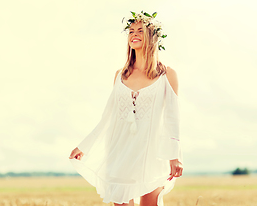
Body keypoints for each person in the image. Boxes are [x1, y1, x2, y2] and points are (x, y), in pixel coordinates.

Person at [69, 11, 183, 206]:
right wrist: (84, 146)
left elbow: (172, 118)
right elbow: (108, 117)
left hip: (151, 153)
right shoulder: (120, 75)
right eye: (131, 30)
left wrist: (175, 156)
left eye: (140, 30)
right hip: (119, 151)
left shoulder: (167, 75)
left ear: (153, 37)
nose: (134, 34)